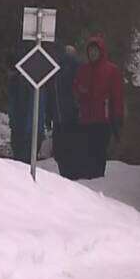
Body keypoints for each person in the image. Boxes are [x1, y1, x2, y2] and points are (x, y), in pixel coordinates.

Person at [73, 35, 124, 179]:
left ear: (101, 52)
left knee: (99, 151)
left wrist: (117, 117)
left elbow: (117, 96)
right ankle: (88, 179)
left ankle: (97, 179)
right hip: (85, 118)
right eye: (91, 51)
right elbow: (76, 88)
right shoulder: (84, 69)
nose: (93, 53)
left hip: (103, 119)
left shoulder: (111, 70)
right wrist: (80, 92)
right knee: (86, 151)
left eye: (95, 51)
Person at [47, 43, 86, 179]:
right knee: (70, 147)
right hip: (70, 114)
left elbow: (52, 92)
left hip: (61, 115)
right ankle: (71, 174)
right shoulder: (76, 66)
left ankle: (67, 174)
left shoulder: (56, 68)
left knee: (62, 149)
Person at [7, 50, 48, 163]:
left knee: (23, 163)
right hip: (25, 130)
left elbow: (29, 109)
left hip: (27, 132)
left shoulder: (26, 84)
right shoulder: (17, 83)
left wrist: (28, 131)